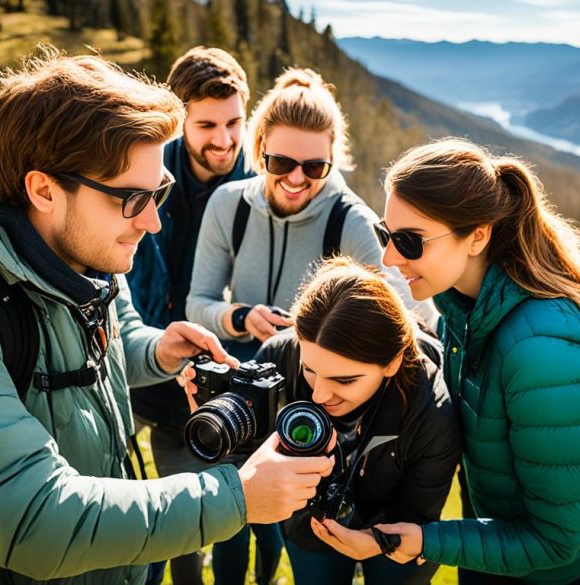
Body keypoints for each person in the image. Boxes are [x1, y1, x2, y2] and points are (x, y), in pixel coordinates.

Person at [0, 48, 333, 585]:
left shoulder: (77, 245)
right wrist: (237, 497)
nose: (153, 223)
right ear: (43, 189)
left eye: (159, 192)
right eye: (133, 199)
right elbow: (33, 520)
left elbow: (110, 339)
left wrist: (157, 350)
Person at [326, 138, 580, 584]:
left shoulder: (546, 359)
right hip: (489, 548)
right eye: (385, 235)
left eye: (410, 242)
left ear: (478, 236)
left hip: (539, 572)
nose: (390, 258)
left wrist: (426, 541)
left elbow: (555, 540)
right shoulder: (461, 311)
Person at [185, 257, 461, 585]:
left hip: (396, 527)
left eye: (344, 380)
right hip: (310, 525)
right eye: (310, 371)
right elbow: (246, 456)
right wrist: (220, 425)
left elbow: (418, 517)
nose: (319, 395)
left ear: (392, 362)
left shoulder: (432, 409)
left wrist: (379, 542)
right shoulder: (278, 358)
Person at [186, 67, 436, 366]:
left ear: (333, 159)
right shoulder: (229, 205)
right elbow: (198, 302)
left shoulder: (351, 222)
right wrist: (241, 318)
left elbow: (414, 322)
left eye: (314, 167)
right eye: (281, 163)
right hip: (243, 381)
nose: (295, 178)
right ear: (262, 147)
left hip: (319, 391)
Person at [124, 46, 256, 585]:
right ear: (179, 121)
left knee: (242, 519)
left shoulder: (264, 186)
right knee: (177, 516)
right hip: (158, 373)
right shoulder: (149, 181)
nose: (223, 140)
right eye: (206, 125)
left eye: (234, 123)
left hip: (240, 380)